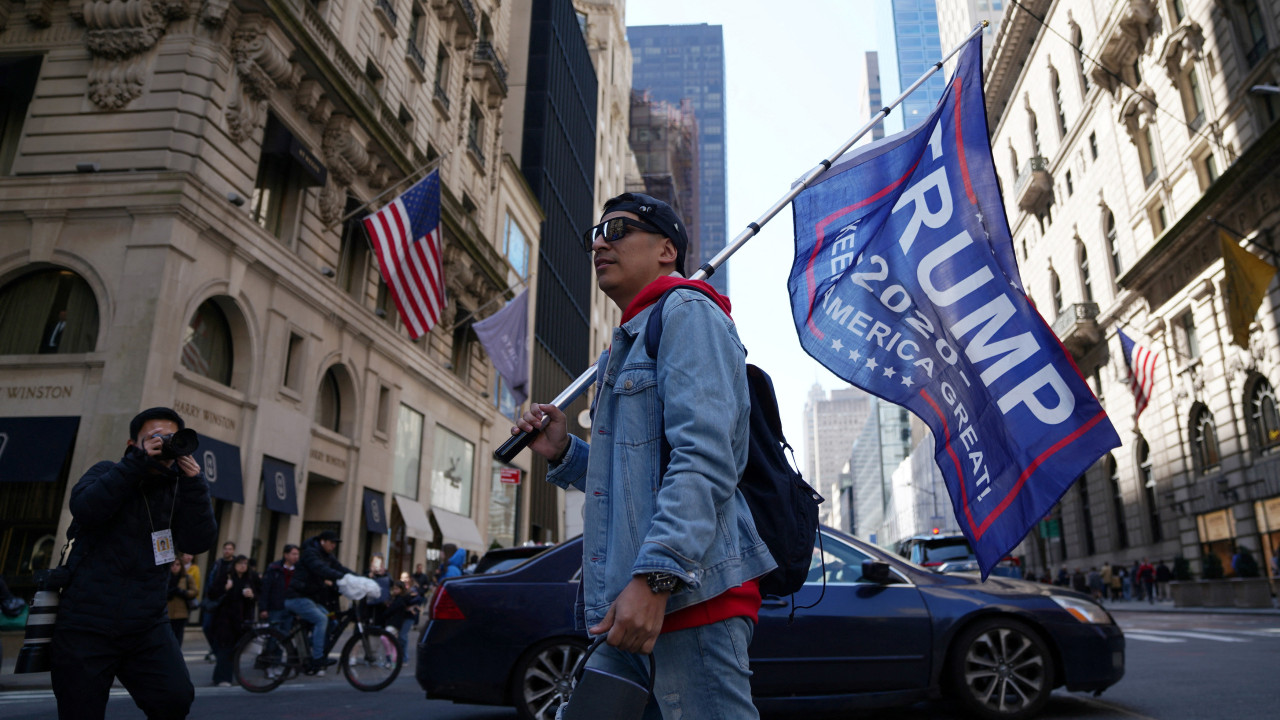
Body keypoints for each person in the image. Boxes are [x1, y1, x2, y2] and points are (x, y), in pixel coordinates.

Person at [513, 192, 776, 719]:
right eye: (596, 233)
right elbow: (633, 481)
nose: (599, 243)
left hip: (687, 601)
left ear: (665, 249)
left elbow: (705, 458)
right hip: (631, 606)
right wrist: (564, 450)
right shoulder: (627, 342)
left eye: (618, 229)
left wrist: (656, 579)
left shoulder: (688, 312)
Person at [50, 407, 217, 720]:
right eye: (154, 438)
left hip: (146, 623)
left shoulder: (181, 490)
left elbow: (199, 542)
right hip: (86, 622)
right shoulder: (107, 471)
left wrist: (196, 483)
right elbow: (86, 509)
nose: (163, 444)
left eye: (170, 438)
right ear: (132, 444)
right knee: (79, 712)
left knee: (175, 699)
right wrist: (135, 465)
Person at [284, 530, 355, 675]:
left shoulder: (327, 555)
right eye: (332, 542)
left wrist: (359, 578)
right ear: (322, 541)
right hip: (297, 597)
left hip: (309, 598)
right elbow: (321, 569)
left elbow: (340, 568)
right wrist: (343, 578)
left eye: (336, 543)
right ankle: (318, 658)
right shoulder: (311, 553)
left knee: (332, 622)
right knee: (321, 619)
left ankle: (303, 650)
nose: (334, 546)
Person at [208, 555, 258, 686]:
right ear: (234, 565)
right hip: (225, 619)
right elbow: (212, 593)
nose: (243, 566)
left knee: (234, 650)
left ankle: (225, 676)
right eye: (240, 563)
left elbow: (255, 598)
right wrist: (225, 588)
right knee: (225, 648)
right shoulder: (227, 577)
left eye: (245, 564)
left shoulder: (248, 580)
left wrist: (252, 596)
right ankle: (222, 678)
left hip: (241, 621)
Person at [202, 541, 236, 661]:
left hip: (226, 602)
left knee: (221, 630)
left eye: (230, 549)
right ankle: (216, 651)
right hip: (214, 599)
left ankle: (219, 653)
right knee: (207, 627)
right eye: (225, 549)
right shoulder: (217, 564)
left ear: (233, 551)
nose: (227, 551)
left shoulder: (235, 565)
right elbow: (210, 582)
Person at [259, 544, 299, 639]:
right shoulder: (274, 569)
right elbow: (265, 589)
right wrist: (263, 608)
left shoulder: (298, 571)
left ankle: (278, 654)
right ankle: (270, 653)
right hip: (275, 607)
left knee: (285, 638)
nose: (296, 557)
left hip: (290, 608)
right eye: (293, 554)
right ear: (286, 555)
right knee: (273, 635)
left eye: (297, 554)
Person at [166, 559, 197, 646]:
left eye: (177, 564)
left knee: (177, 637)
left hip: (181, 613)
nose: (175, 567)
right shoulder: (166, 578)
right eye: (172, 565)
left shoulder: (187, 578)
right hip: (167, 612)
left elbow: (194, 592)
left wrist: (183, 592)